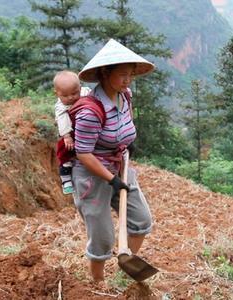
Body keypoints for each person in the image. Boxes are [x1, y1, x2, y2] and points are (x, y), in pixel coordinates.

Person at [73, 39, 154, 282]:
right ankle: (97, 283)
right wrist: (112, 180)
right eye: (122, 75)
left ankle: (127, 261)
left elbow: (125, 124)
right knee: (103, 237)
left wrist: (128, 142)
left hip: (119, 165)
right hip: (92, 174)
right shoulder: (90, 111)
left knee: (141, 220)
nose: (128, 80)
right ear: (105, 74)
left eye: (130, 75)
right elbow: (83, 153)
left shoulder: (124, 96)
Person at [53, 70, 90, 194]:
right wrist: (67, 136)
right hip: (71, 132)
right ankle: (66, 178)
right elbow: (62, 120)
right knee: (63, 150)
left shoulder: (87, 94)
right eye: (65, 95)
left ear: (80, 88)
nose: (70, 98)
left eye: (74, 93)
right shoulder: (60, 106)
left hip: (87, 129)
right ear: (57, 94)